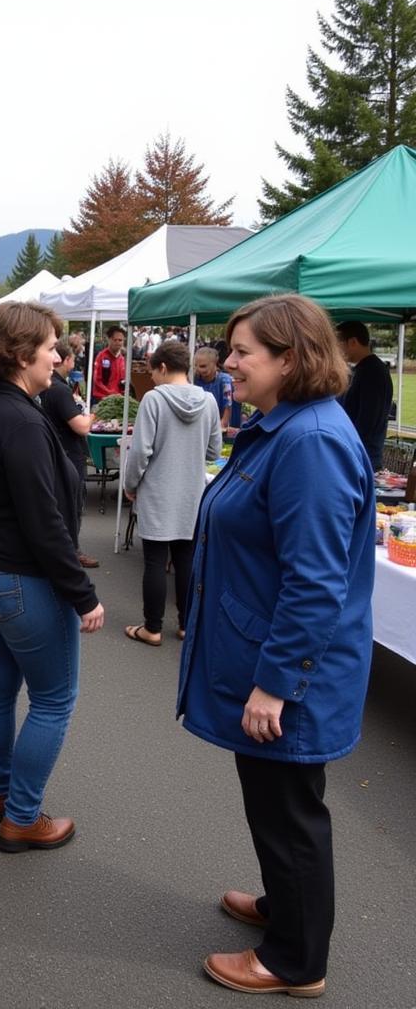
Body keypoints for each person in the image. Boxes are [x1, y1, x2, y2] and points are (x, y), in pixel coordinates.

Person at [179, 295, 373, 997]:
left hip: (287, 673)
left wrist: (276, 682)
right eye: (229, 351)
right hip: (267, 657)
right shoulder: (283, 428)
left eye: (241, 354)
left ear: (290, 359)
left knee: (290, 810)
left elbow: (315, 584)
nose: (225, 364)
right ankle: (283, 906)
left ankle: (295, 959)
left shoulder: (310, 442)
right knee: (273, 798)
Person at [0, 301, 104, 854]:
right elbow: (44, 523)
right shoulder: (19, 419)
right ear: (21, 355)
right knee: (52, 699)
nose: (57, 357)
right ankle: (21, 816)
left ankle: (1, 794)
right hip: (17, 577)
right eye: (49, 348)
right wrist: (82, 594)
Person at [123, 341, 221, 647]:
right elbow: (214, 450)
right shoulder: (208, 402)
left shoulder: (153, 400)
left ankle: (152, 628)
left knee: (154, 560)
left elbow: (140, 452)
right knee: (186, 559)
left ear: (163, 367)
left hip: (156, 492)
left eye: (152, 371)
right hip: (191, 492)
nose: (151, 377)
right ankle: (184, 625)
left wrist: (130, 484)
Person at [39, 337, 98, 569]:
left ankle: (64, 550)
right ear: (67, 360)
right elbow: (81, 427)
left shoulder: (49, 386)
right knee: (72, 506)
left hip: (56, 450)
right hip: (69, 453)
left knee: (60, 504)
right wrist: (93, 416)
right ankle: (72, 552)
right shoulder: (59, 389)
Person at [336, 320, 393, 470]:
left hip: (363, 458)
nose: (336, 350)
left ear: (353, 342)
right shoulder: (361, 370)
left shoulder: (373, 372)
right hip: (354, 454)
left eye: (338, 344)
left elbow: (367, 421)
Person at [193, 346, 234, 431]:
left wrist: (222, 424)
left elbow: (228, 405)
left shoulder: (224, 380)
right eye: (196, 366)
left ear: (214, 363)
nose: (198, 369)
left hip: (218, 423)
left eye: (203, 366)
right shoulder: (195, 379)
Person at [91, 325, 126, 403]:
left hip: (118, 399)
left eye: (120, 340)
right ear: (109, 340)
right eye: (115, 340)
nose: (117, 342)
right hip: (102, 399)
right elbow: (97, 381)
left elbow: (123, 380)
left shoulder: (122, 359)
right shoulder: (101, 357)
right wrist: (111, 394)